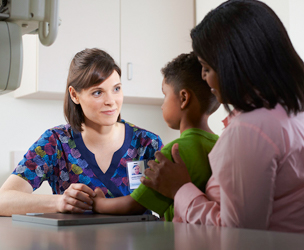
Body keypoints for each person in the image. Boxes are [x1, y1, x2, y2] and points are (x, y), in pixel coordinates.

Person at [142, 0, 304, 238]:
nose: (204, 77)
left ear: (232, 66)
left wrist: (180, 189)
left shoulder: (250, 129)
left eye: (207, 68)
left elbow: (238, 234)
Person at [0, 48, 163, 216]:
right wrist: (59, 202)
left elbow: (174, 205)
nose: (111, 101)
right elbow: (1, 202)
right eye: (97, 92)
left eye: (116, 89)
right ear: (74, 95)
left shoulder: (147, 143)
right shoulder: (55, 142)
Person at [91, 52, 220, 221]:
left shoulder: (174, 152)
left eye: (165, 95)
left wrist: (98, 203)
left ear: (183, 98)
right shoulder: (220, 144)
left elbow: (134, 205)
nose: (162, 105)